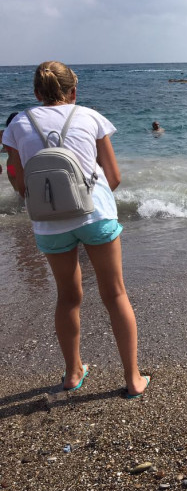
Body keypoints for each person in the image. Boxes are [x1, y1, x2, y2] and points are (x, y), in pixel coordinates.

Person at [2, 61, 149, 397]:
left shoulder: (17, 125)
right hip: (96, 215)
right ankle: (133, 379)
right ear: (73, 91)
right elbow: (114, 177)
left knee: (68, 297)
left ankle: (72, 373)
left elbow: (20, 184)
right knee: (115, 294)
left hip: (49, 223)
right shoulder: (90, 116)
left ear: (36, 93)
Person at [1, 112, 20, 191]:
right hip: (21, 166)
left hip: (11, 167)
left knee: (17, 192)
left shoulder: (3, 134)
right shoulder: (23, 134)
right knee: (26, 193)